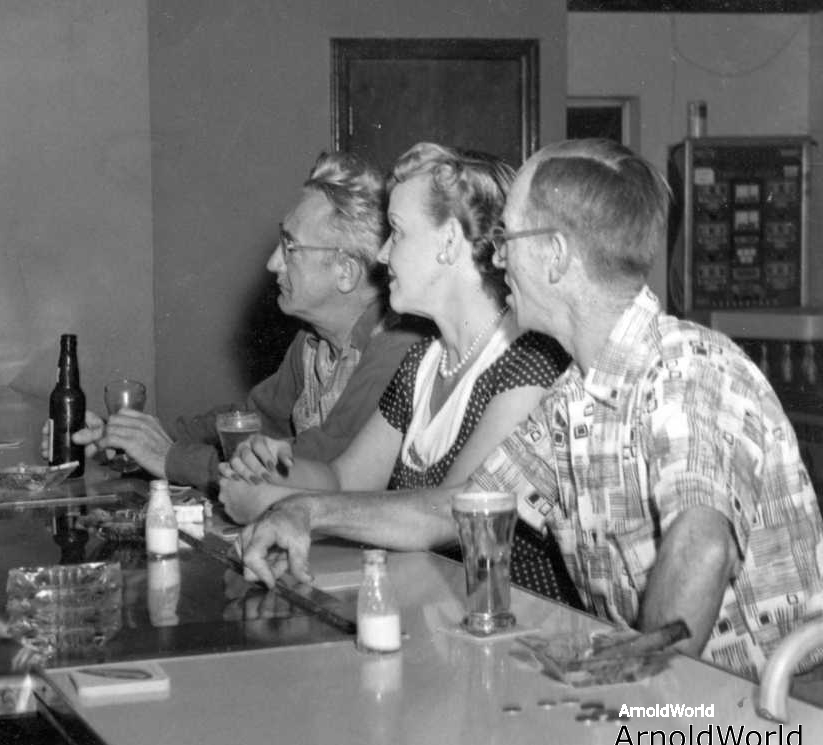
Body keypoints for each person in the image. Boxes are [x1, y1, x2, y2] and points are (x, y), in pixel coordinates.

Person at [238, 138, 823, 681]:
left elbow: (703, 546)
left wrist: (639, 715)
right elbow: (457, 510)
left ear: (555, 257)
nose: (495, 261)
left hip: (775, 707)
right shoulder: (572, 397)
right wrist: (305, 510)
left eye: (507, 239)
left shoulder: (684, 371)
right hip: (679, 697)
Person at [221, 143, 576, 603]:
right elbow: (346, 479)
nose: (384, 254)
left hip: (522, 622)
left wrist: (298, 508)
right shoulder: (424, 361)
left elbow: (453, 512)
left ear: (449, 243)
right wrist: (276, 468)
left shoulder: (527, 365)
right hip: (437, 609)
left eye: (398, 232)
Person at [61, 151, 423, 492]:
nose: (273, 263)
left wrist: (168, 457)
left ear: (345, 271)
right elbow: (250, 423)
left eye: (290, 248)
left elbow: (312, 467)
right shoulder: (312, 343)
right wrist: (128, 437)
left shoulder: (394, 350)